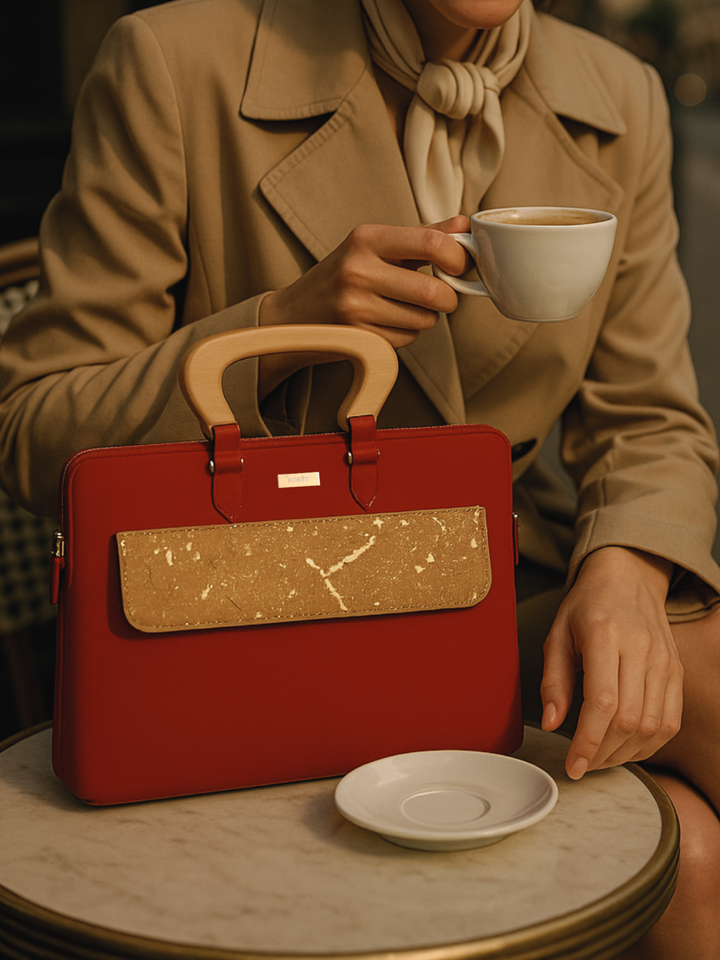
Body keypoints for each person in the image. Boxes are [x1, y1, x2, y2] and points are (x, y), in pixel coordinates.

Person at [1, 0, 719, 954]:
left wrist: (629, 565)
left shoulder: (619, 96)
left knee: (699, 802)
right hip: (250, 615)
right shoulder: (174, 63)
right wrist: (275, 328)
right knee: (696, 854)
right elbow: (33, 428)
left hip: (489, 598)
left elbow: (651, 418)